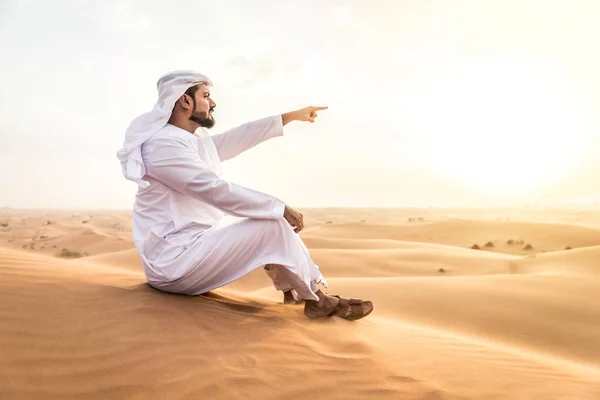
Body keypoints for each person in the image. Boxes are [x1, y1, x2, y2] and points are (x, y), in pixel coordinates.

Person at [116, 70, 373, 321]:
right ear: (185, 100)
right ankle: (317, 300)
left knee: (268, 222)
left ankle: (293, 293)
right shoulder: (163, 146)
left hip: (194, 247)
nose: (213, 102)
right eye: (206, 96)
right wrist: (278, 207)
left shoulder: (190, 140)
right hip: (174, 263)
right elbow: (212, 189)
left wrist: (291, 116)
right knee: (270, 224)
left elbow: (238, 137)